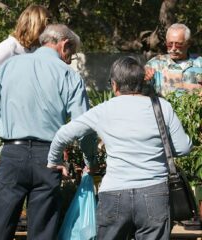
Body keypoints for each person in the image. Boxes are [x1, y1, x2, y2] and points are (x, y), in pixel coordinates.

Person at [47, 56, 192, 240]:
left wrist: (54, 161)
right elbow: (184, 148)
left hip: (114, 193)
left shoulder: (103, 110)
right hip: (154, 191)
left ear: (114, 85)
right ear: (142, 83)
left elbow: (62, 134)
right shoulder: (162, 107)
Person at [0, 23, 97, 240]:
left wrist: (12, 127)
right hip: (49, 157)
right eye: (71, 52)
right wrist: (90, 160)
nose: (70, 58)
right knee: (43, 230)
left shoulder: (10, 66)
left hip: (12, 154)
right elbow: (84, 126)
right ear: (65, 44)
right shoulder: (69, 75)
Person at [0, 4, 51, 131]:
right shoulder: (9, 47)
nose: (49, 31)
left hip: (16, 128)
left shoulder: (34, 50)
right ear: (37, 26)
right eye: (47, 26)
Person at [146, 23, 202, 96]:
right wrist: (146, 75)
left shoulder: (199, 63)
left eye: (178, 44)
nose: (173, 48)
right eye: (169, 44)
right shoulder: (155, 64)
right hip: (164, 107)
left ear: (188, 44)